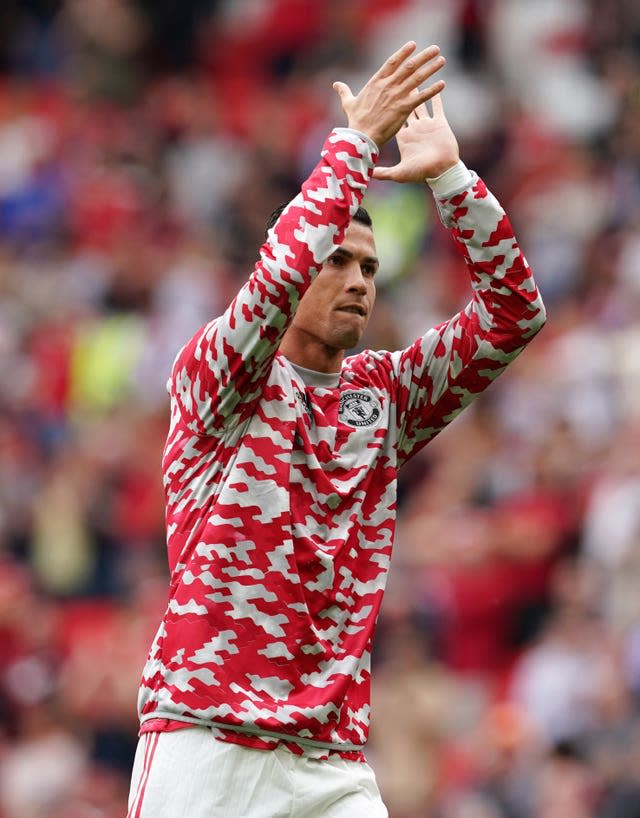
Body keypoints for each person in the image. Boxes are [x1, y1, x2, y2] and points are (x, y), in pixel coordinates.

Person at [127, 41, 546, 818]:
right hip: (206, 740)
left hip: (331, 762)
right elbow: (278, 272)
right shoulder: (219, 376)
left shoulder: (382, 396)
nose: (357, 280)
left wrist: (453, 181)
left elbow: (514, 315)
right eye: (339, 262)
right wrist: (354, 146)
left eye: (370, 268)